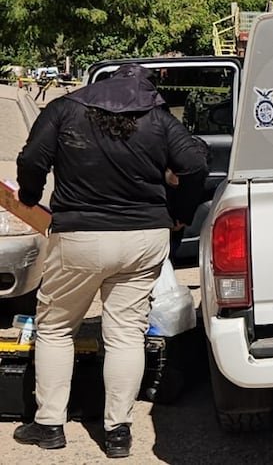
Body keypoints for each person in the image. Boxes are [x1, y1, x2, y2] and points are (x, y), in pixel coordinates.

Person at [13, 64, 208, 457]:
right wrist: (180, 212)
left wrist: (31, 198)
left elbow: (32, 159)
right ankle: (118, 431)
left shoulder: (65, 109)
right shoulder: (158, 118)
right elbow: (196, 163)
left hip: (80, 237)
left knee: (55, 329)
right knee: (125, 335)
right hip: (144, 238)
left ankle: (49, 425)